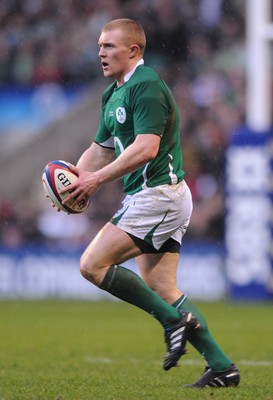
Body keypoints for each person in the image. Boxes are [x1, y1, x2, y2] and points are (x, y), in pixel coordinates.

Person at [61, 18, 240, 388]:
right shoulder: (113, 93)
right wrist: (74, 183)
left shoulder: (146, 86)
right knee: (163, 289)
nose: (100, 52)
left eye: (109, 46)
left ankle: (173, 321)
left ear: (133, 50)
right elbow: (99, 149)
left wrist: (96, 180)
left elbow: (147, 148)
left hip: (158, 194)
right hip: (156, 196)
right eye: (99, 46)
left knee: (92, 265)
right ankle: (223, 368)